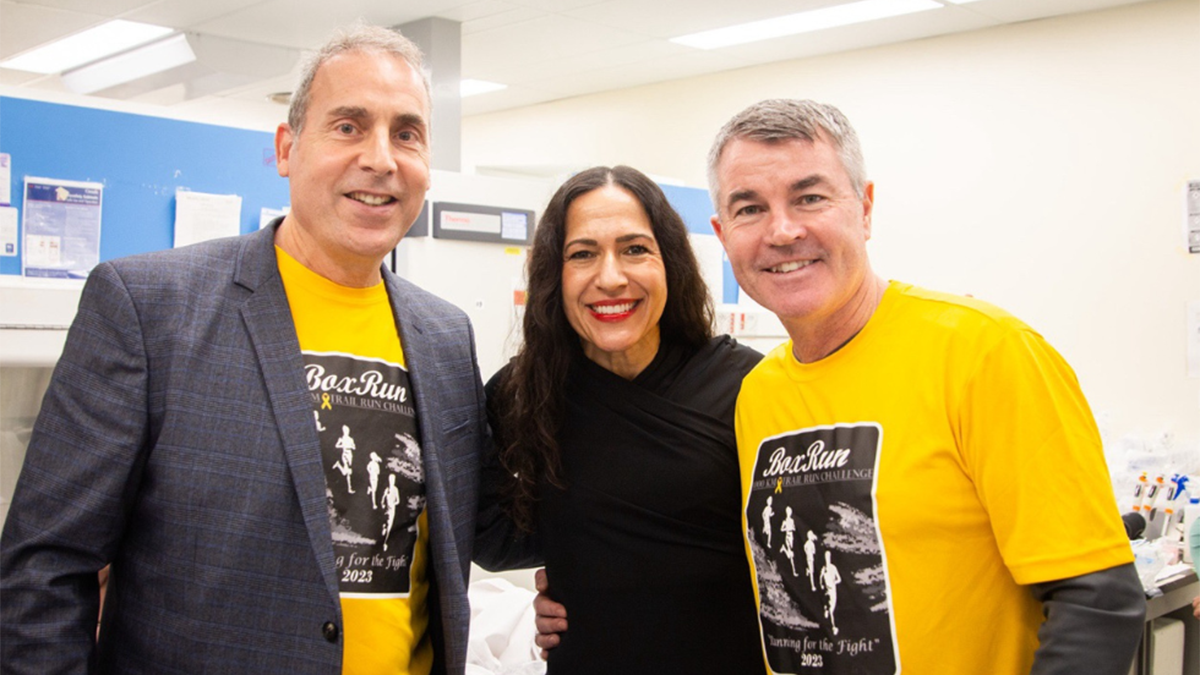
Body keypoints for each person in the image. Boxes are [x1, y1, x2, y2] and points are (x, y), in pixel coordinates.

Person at [0, 24, 491, 675]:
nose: (381, 157)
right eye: (348, 126)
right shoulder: (152, 308)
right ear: (288, 148)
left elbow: (486, 519)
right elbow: (44, 571)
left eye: (407, 132)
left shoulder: (445, 337)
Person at [707, 98, 1145, 673]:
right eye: (750, 209)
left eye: (810, 197)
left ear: (864, 209)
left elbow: (1098, 601)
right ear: (722, 232)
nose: (783, 230)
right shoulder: (759, 392)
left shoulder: (984, 352)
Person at [475, 165, 765, 673]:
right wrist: (569, 577)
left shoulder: (746, 386)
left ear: (669, 263)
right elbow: (495, 539)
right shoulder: (522, 394)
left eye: (635, 249)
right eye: (583, 254)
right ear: (554, 275)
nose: (610, 278)